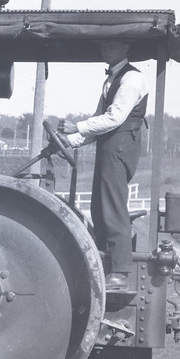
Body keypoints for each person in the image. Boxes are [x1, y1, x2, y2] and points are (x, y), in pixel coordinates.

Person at [58, 40, 148, 290]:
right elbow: (99, 123)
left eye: (111, 46)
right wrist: (69, 141)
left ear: (125, 48)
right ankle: (102, 264)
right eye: (103, 46)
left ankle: (119, 272)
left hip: (120, 147)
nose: (104, 50)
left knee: (112, 205)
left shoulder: (132, 79)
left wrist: (76, 127)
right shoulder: (111, 80)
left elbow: (114, 118)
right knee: (99, 205)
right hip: (108, 145)